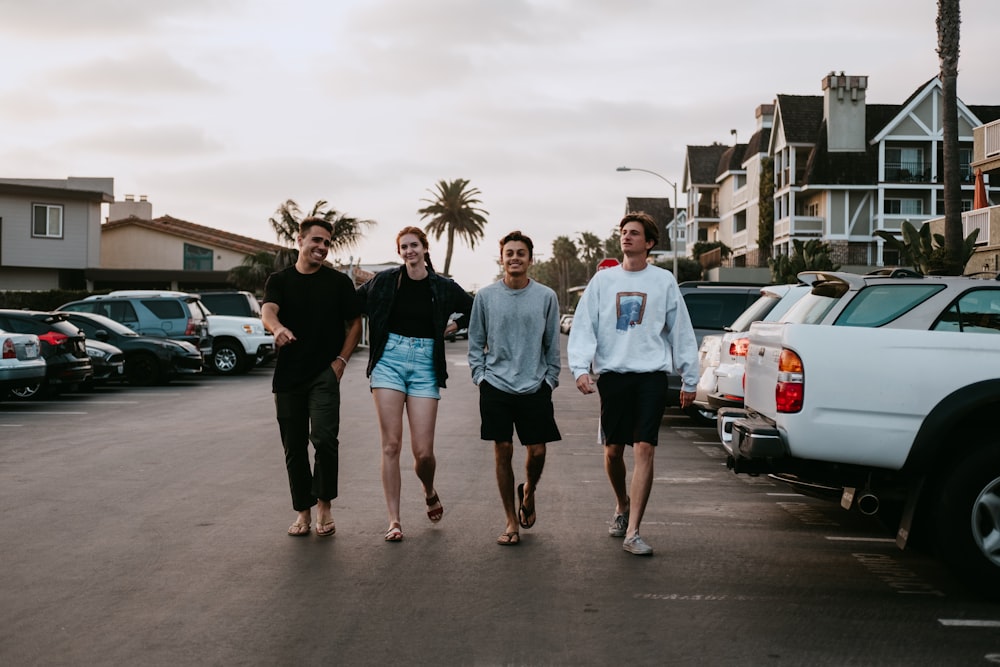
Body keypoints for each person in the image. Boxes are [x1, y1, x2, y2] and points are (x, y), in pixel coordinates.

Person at [567, 212, 698, 556]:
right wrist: (580, 368)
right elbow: (583, 327)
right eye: (624, 232)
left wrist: (690, 377)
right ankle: (622, 504)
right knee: (613, 452)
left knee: (645, 448)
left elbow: (680, 330)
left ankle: (634, 531)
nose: (626, 237)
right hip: (613, 376)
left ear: (649, 243)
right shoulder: (603, 282)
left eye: (634, 233)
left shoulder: (663, 281)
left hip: (651, 376)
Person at [357, 226, 474, 542]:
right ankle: (394, 520)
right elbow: (353, 303)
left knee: (423, 453)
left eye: (414, 245)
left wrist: (454, 325)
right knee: (391, 444)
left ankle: (428, 488)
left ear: (425, 248)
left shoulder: (443, 286)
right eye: (403, 247)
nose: (409, 251)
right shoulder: (384, 281)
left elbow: (475, 307)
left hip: (425, 365)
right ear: (400, 252)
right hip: (389, 362)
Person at [262, 217, 363, 538]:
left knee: (324, 440)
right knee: (293, 446)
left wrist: (342, 361)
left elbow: (355, 322)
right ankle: (302, 512)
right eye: (316, 240)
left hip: (324, 374)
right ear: (300, 240)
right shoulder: (280, 280)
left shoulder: (338, 283)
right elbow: (268, 312)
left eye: (326, 243)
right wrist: (277, 329)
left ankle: (324, 507)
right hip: (288, 376)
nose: (321, 247)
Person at [468, 231, 561, 546]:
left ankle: (529, 490)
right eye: (509, 253)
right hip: (495, 383)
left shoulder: (546, 296)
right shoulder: (486, 296)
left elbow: (552, 344)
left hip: (535, 384)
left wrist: (550, 379)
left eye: (521, 253)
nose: (515, 258)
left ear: (530, 259)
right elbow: (476, 341)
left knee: (537, 451)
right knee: (503, 449)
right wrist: (479, 376)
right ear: (502, 258)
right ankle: (510, 521)